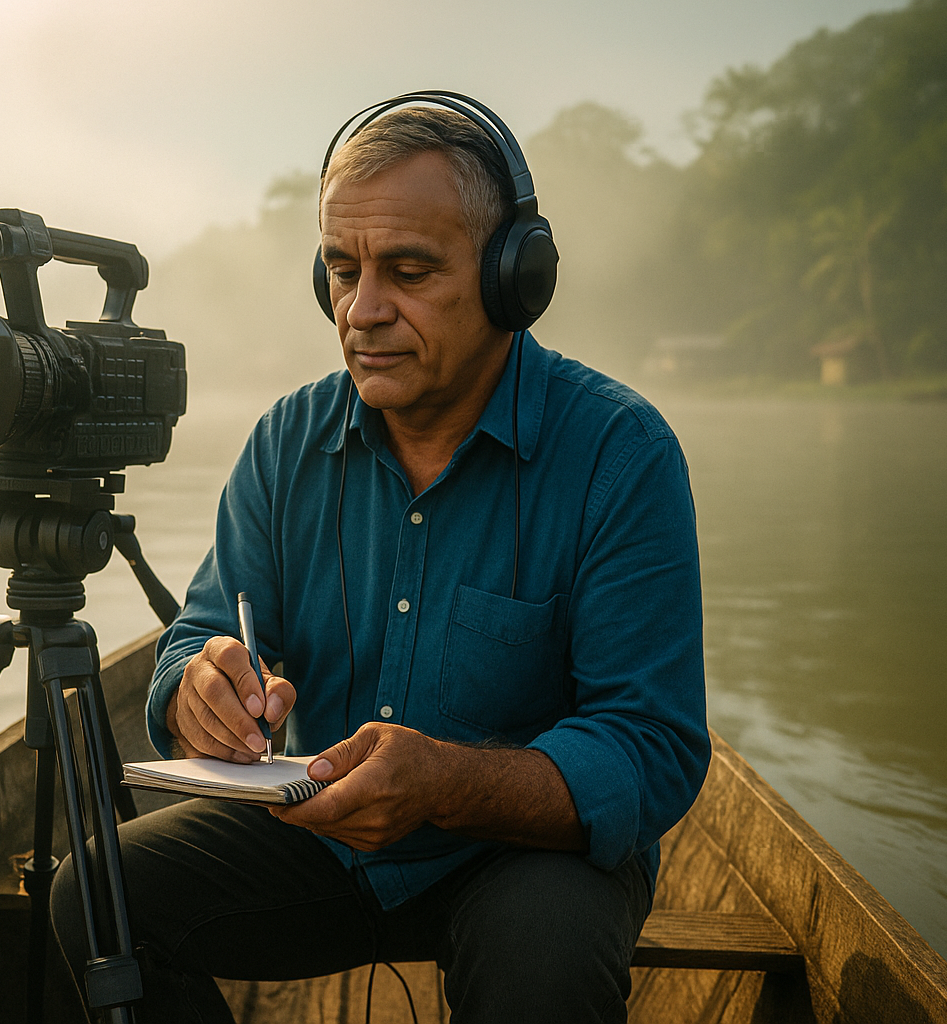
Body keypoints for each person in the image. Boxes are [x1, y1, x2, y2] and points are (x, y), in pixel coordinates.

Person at [51, 96, 709, 1023]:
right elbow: (200, 631)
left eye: (408, 270)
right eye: (341, 269)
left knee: (542, 963)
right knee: (97, 899)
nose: (362, 310)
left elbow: (654, 747)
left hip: (525, 858)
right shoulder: (286, 441)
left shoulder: (619, 452)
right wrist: (194, 691)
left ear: (512, 278)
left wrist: (447, 783)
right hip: (320, 836)